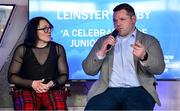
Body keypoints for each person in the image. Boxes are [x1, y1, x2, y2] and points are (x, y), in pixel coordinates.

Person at [82, 3, 165, 110]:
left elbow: (159, 69)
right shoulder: (103, 41)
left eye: (122, 19)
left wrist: (144, 56)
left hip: (139, 90)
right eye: (115, 20)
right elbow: (88, 70)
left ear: (133, 19)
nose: (118, 24)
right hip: (107, 90)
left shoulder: (149, 41)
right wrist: (101, 52)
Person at [8, 16, 69, 110]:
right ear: (34, 32)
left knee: (59, 107)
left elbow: (64, 75)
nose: (49, 31)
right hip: (27, 90)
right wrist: (32, 83)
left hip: (51, 89)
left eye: (49, 28)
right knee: (28, 107)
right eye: (45, 29)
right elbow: (11, 76)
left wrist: (51, 84)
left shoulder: (58, 48)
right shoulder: (22, 49)